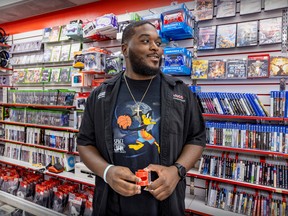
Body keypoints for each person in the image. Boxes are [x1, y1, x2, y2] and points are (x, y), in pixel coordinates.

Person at [77, 20, 206, 216]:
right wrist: (107, 172)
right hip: (111, 204)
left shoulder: (180, 93)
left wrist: (176, 171)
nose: (155, 48)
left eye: (158, 43)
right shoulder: (101, 95)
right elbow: (85, 143)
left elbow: (196, 138)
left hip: (165, 204)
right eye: (146, 41)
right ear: (125, 49)